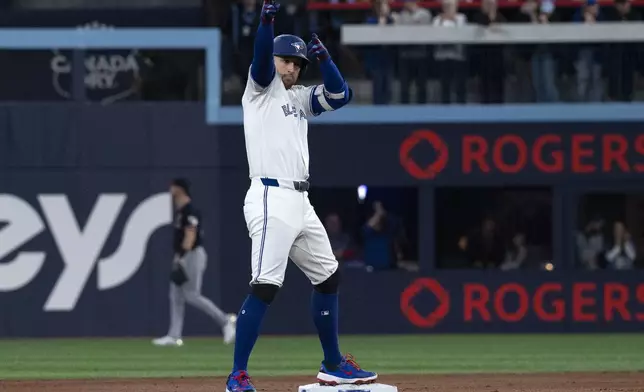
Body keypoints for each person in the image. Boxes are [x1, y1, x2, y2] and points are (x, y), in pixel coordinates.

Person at [225, 1, 378, 391]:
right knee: (265, 286)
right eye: (286, 61)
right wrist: (266, 21)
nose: (291, 67)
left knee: (328, 276)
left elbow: (340, 96)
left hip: (300, 201)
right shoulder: (260, 88)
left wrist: (325, 58)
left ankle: (332, 364)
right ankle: (237, 374)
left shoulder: (299, 99)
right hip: (269, 195)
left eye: (297, 63)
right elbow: (260, 57)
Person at [153, 178, 237, 347]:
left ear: (180, 189)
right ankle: (174, 335)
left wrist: (182, 256)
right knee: (175, 295)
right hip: (183, 255)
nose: (170, 189)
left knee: (191, 294)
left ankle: (225, 320)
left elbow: (190, 235)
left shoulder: (189, 210)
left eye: (173, 186)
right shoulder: (180, 210)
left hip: (191, 254)